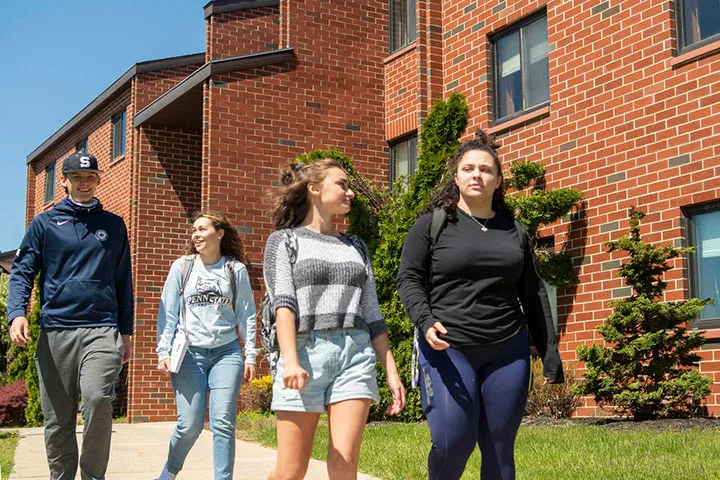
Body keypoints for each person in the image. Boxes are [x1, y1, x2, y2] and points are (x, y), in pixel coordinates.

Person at [397, 131, 564, 480]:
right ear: (456, 176)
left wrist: (550, 353)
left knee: (500, 447)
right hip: (448, 347)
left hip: (507, 350)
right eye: (469, 168)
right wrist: (425, 321)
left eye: (486, 170)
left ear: (499, 179)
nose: (477, 175)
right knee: (453, 440)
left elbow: (532, 293)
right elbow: (409, 280)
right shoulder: (432, 225)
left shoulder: (514, 231)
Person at [263, 158, 406, 480]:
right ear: (314, 188)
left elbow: (371, 312)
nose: (351, 192)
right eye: (342, 184)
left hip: (353, 354)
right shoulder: (284, 241)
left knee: (345, 467)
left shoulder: (355, 245)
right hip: (303, 354)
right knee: (290, 471)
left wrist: (391, 372)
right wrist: (290, 360)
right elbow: (282, 304)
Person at [7, 151, 134, 480]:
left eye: (90, 177)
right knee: (58, 420)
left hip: (101, 329)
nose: (84, 183)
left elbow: (123, 281)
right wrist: (17, 313)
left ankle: (94, 476)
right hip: (56, 332)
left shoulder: (113, 225)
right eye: (77, 178)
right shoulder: (45, 224)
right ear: (64, 182)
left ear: (98, 180)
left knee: (96, 398)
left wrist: (126, 332)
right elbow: (22, 272)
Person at [155, 212, 258, 480]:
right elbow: (167, 313)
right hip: (189, 354)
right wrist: (163, 351)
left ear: (219, 233)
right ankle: (170, 470)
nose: (196, 235)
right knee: (189, 425)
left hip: (227, 353)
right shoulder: (182, 267)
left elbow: (246, 314)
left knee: (223, 423)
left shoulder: (235, 270)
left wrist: (251, 355)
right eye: (194, 231)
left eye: (202, 229)